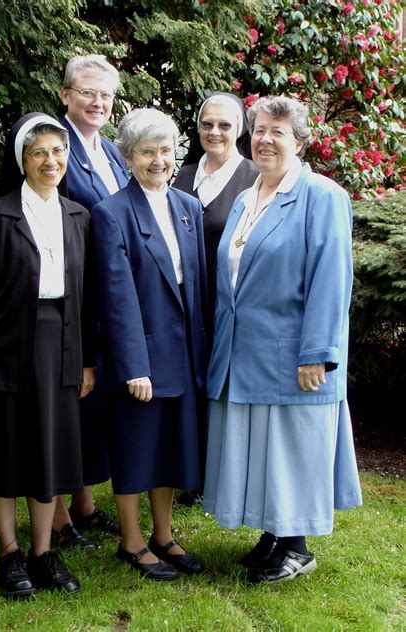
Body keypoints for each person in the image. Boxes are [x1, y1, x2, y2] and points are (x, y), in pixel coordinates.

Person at [203, 96, 362, 583]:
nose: (266, 139)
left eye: (278, 131)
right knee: (262, 447)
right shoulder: (248, 197)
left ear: (299, 140)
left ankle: (297, 546)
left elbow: (331, 279)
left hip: (293, 351)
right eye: (260, 130)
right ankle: (273, 535)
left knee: (291, 450)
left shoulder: (322, 195)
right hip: (245, 351)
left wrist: (318, 353)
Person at [0, 112, 95, 597]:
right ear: (22, 160)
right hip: (3, 347)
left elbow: (87, 296)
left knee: (49, 450)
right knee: (4, 449)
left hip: (60, 345)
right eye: (39, 152)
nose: (50, 161)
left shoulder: (79, 215)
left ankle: (43, 554)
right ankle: (9, 554)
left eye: (58, 152)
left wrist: (85, 360)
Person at [91, 108, 207, 581]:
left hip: (184, 355)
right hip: (141, 358)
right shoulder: (111, 213)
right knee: (137, 450)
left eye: (165, 150)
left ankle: (164, 535)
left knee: (171, 450)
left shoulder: (188, 206)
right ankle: (132, 541)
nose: (158, 160)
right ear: (127, 156)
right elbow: (116, 297)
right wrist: (133, 365)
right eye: (146, 152)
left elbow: (199, 287)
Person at [52, 54, 128, 546]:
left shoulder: (112, 151)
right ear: (65, 95)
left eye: (105, 94)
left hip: (103, 295)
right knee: (64, 402)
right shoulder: (53, 145)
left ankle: (82, 504)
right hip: (67, 294)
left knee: (89, 404)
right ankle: (56, 520)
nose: (98, 102)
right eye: (87, 92)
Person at [173, 94, 258, 505]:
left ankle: (216, 476)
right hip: (183, 303)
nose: (215, 132)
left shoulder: (256, 178)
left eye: (224, 125)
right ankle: (188, 473)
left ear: (239, 128)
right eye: (207, 124)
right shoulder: (182, 175)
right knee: (189, 385)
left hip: (229, 305)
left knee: (220, 390)